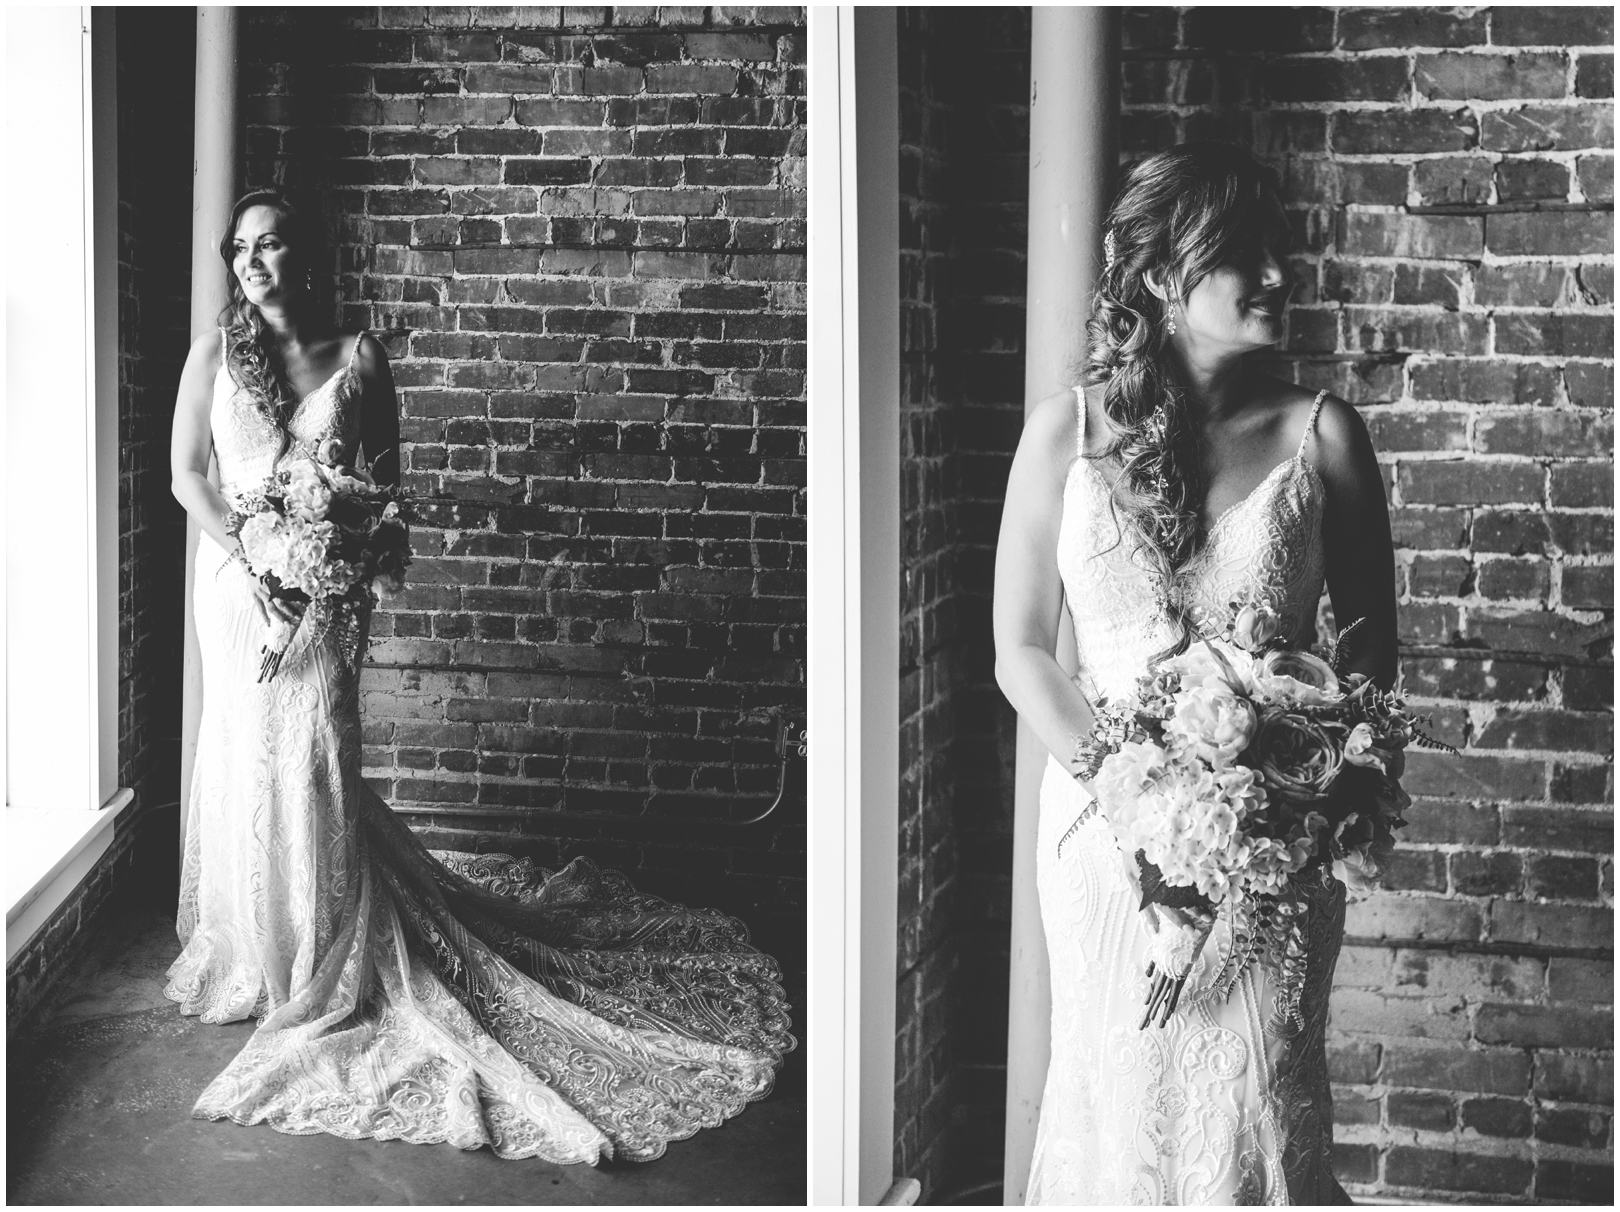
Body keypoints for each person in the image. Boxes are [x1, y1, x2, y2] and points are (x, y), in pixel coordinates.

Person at [167, 189, 792, 1162]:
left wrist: (344, 556)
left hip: (328, 601)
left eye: (274, 241)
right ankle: (257, 953)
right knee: (245, 765)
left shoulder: (359, 359)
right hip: (237, 587)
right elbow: (187, 477)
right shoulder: (215, 353)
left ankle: (324, 959)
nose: (254, 260)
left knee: (315, 766)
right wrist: (253, 556)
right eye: (240, 247)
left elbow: (388, 494)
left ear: (307, 255)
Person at [993, 144, 1397, 1204]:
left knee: (1259, 1094)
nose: (1276, 273)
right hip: (1099, 832)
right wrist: (1131, 790)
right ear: (1164, 277)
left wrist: (1297, 791)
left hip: (1270, 844)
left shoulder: (1325, 438)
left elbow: (1369, 661)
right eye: (1241, 254)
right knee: (1116, 1093)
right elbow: (1023, 649)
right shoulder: (1064, 438)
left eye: (1279, 248)